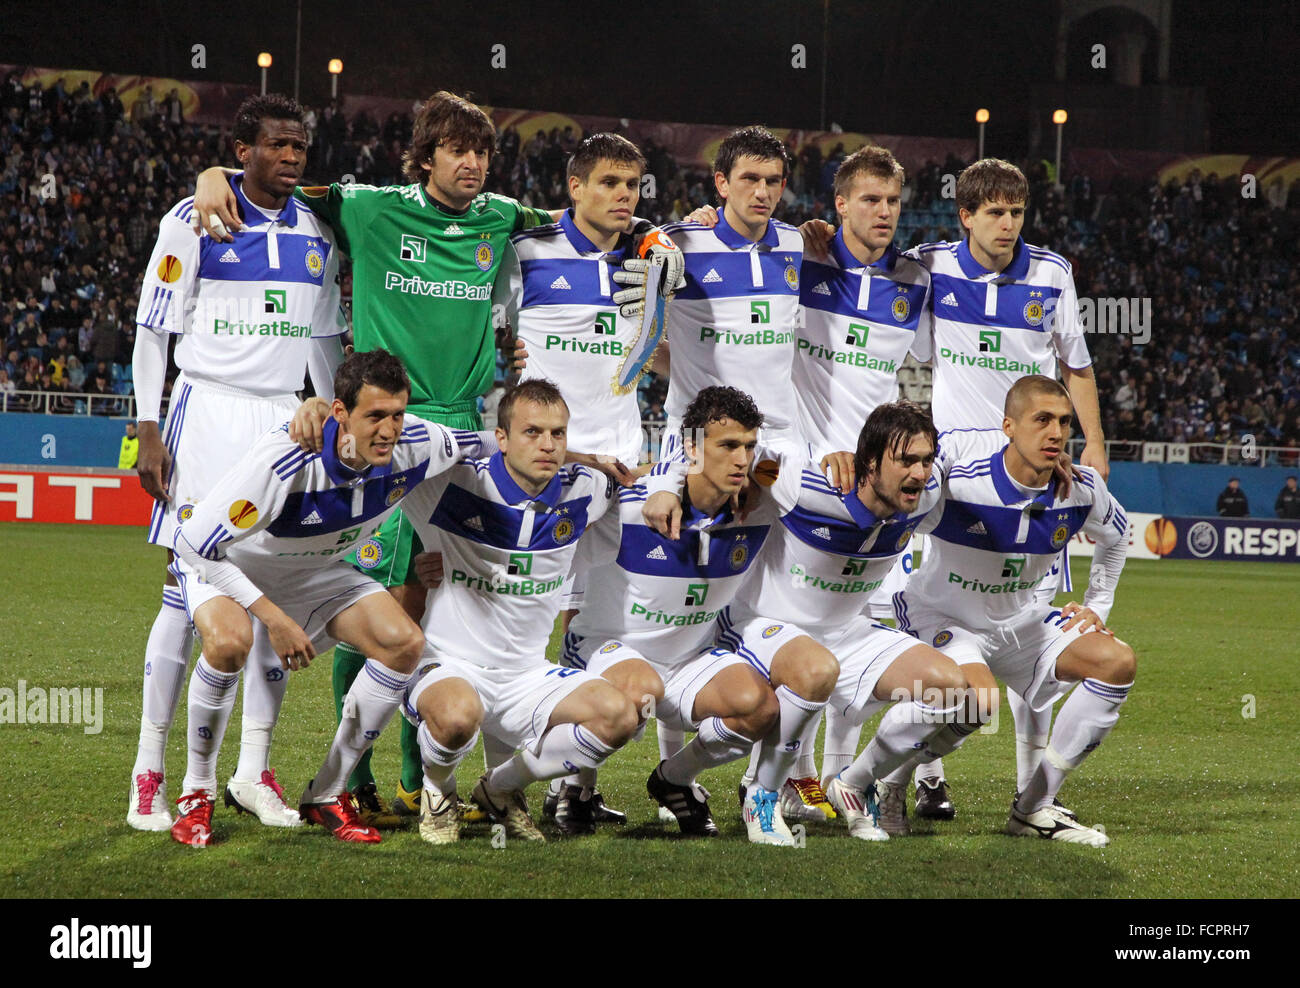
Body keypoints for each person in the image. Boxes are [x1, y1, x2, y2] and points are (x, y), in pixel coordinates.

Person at [189, 93, 668, 824]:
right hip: (393, 429)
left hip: (464, 432)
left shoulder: (503, 217)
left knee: (438, 594)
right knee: (375, 594)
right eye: (456, 149)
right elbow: (278, 181)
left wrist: (670, 231)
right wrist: (215, 172)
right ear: (423, 156)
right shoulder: (369, 208)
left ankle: (425, 781)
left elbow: (588, 218)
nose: (472, 163)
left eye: (481, 152)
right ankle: (353, 778)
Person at [126, 93, 346, 833]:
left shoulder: (316, 230)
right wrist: (148, 424)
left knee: (271, 584)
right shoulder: (194, 219)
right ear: (241, 150)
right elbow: (152, 330)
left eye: (300, 146)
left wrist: (336, 409)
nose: (291, 157)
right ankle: (149, 772)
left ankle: (253, 770)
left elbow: (322, 344)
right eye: (277, 144)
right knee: (185, 595)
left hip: (283, 420)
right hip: (207, 410)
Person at [167, 349, 488, 846]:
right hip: (232, 567)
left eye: (397, 415)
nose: (389, 430)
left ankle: (327, 792)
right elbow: (194, 545)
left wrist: (585, 459)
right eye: (375, 416)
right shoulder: (285, 459)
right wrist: (273, 617)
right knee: (230, 643)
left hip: (315, 571)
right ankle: (197, 791)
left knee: (403, 642)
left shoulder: (419, 443)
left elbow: (492, 444)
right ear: (340, 413)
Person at [496, 131, 684, 829]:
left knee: (604, 620)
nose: (621, 198)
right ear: (573, 187)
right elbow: (493, 340)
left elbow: (655, 355)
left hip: (626, 464)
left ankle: (571, 783)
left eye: (632, 186)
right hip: (552, 468)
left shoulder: (649, 258)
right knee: (526, 617)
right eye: (607, 183)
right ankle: (501, 776)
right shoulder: (528, 253)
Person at [893, 376, 1133, 844]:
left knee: (1116, 662)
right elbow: (897, 498)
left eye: (1064, 422)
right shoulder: (959, 482)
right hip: (947, 619)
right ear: (1008, 426)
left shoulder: (1080, 489)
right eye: (1042, 420)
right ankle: (891, 780)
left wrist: (1097, 604)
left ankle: (1033, 807)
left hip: (1022, 622)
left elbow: (1118, 537)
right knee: (979, 702)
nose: (1057, 433)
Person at [395, 379, 636, 845]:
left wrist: (660, 485)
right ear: (500, 437)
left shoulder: (584, 489)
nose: (548, 445)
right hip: (448, 666)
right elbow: (389, 440)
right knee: (458, 715)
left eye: (558, 434)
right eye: (532, 432)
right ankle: (438, 792)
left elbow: (632, 479)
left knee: (619, 715)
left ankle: (500, 789)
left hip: (527, 675)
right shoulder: (453, 482)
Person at [563, 386, 794, 843]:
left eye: (748, 447)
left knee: (762, 709)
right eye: (727, 446)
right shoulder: (628, 502)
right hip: (608, 648)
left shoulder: (761, 504)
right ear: (690, 447)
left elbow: (788, 466)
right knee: (635, 698)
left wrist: (769, 466)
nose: (741, 459)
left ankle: (674, 777)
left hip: (691, 659)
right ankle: (568, 787)